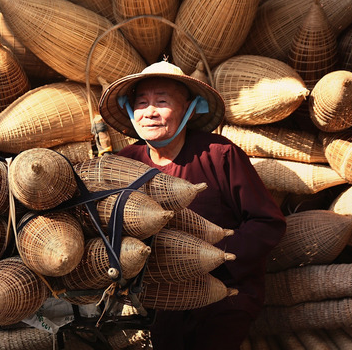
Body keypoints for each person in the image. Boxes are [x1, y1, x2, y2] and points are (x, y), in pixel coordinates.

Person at [98, 61, 286, 350]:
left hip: (223, 293)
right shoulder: (125, 161)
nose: (150, 111)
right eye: (141, 103)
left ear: (187, 108)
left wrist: (212, 259)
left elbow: (266, 222)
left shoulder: (219, 154)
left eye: (161, 101)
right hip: (159, 297)